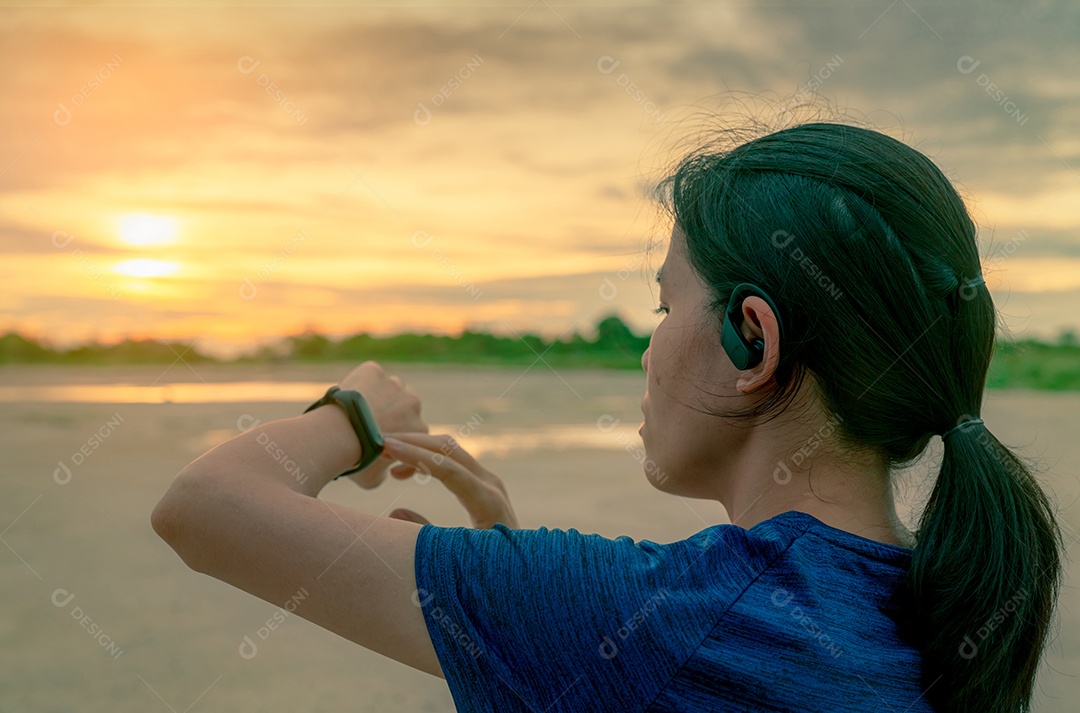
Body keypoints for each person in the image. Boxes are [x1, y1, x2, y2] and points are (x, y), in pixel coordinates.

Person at [151, 121, 1063, 712]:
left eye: (666, 309)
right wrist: (509, 567)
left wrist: (355, 413)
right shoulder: (942, 612)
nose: (648, 350)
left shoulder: (677, 616)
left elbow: (201, 507)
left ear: (754, 340)